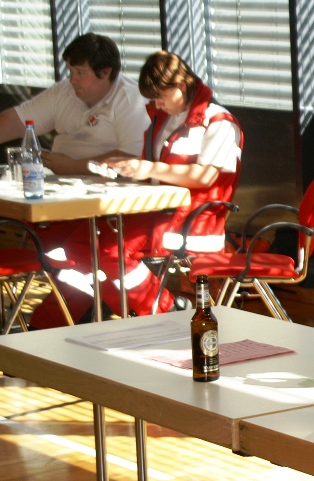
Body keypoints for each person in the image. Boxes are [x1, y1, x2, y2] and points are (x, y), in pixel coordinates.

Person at [30, 50, 243, 327]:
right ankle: (64, 319)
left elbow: (205, 177)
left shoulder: (219, 122)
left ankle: (166, 312)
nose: (157, 104)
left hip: (191, 220)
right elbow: (153, 171)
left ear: (181, 86)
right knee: (77, 245)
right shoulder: (164, 118)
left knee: (110, 252)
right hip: (154, 210)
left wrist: (147, 168)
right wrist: (125, 169)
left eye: (161, 96)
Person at [0, 33, 150, 176]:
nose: (72, 80)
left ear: (105, 73)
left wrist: (73, 166)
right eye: (71, 71)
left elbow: (131, 158)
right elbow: (15, 121)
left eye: (80, 72)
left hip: (105, 186)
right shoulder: (64, 90)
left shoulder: (131, 99)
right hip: (57, 181)